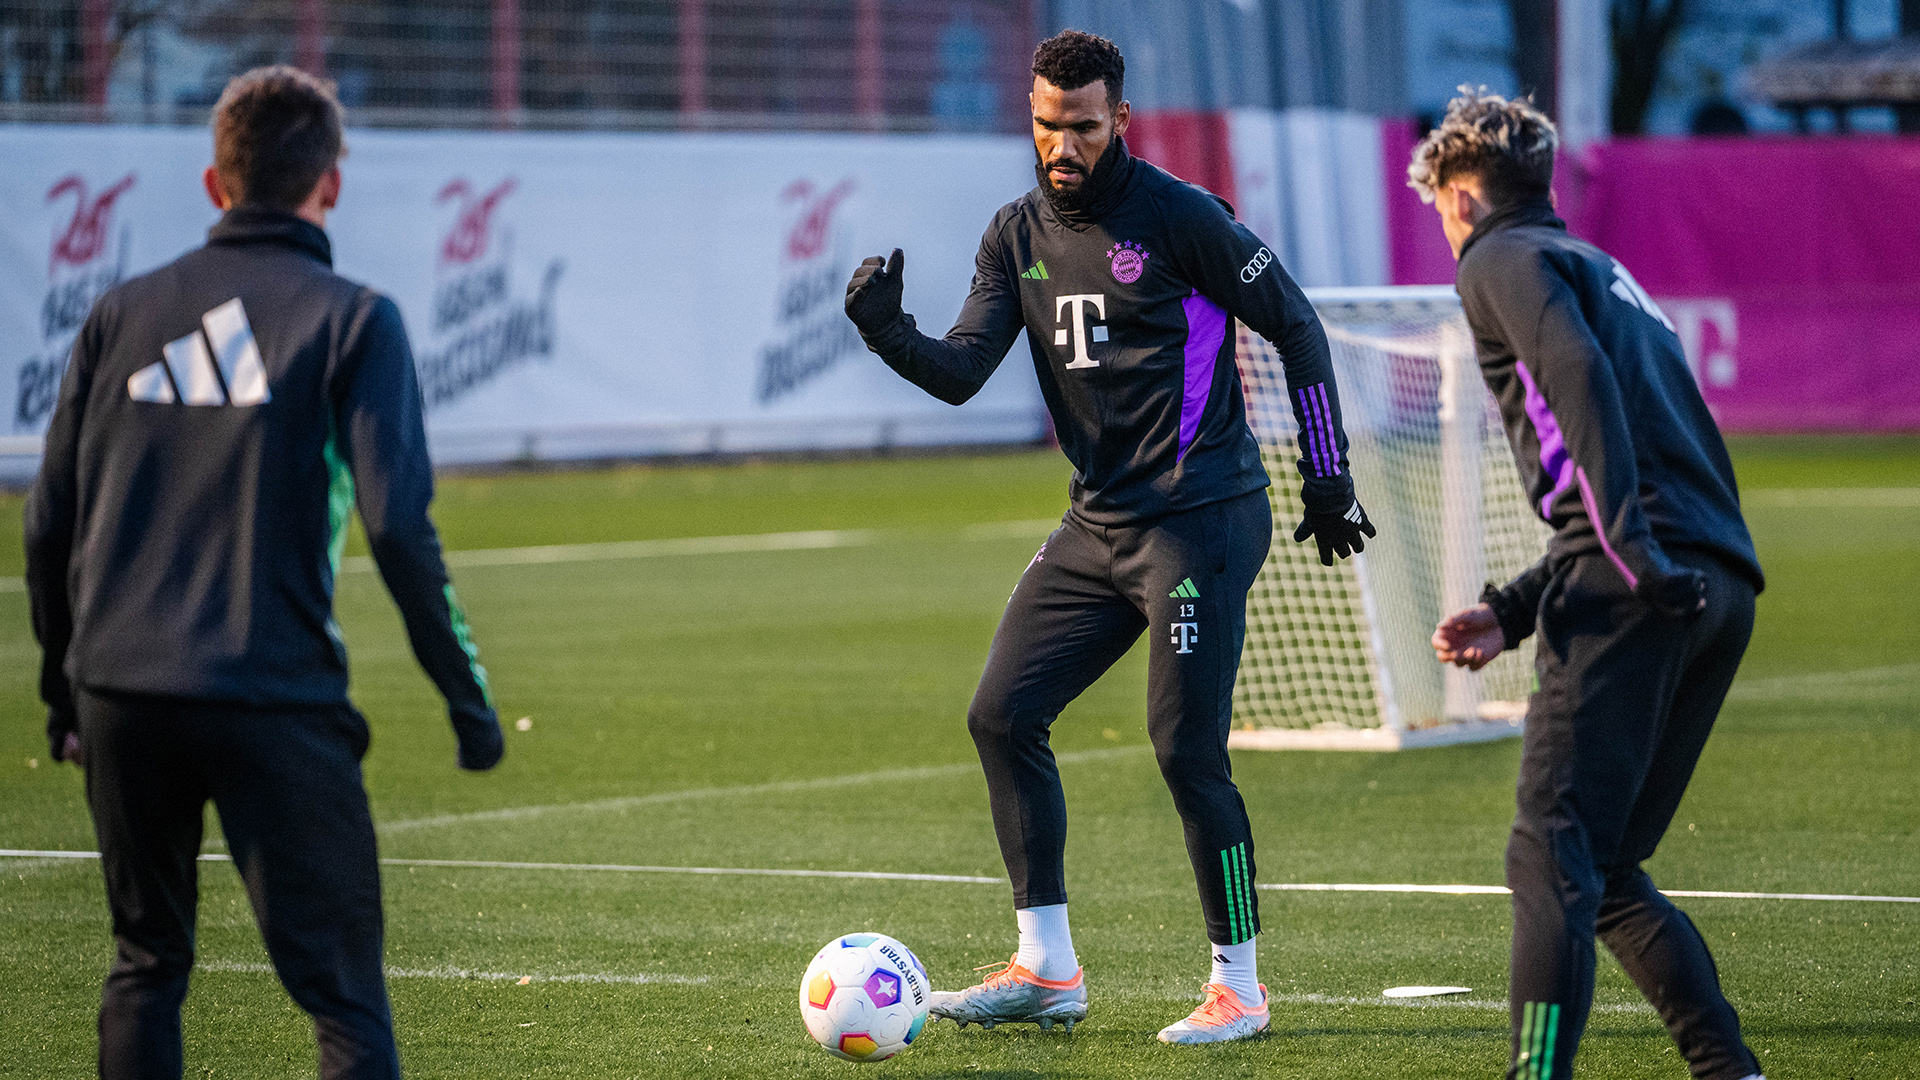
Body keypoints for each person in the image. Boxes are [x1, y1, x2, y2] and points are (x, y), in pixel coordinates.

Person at [843, 29, 1373, 1045]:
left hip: (1202, 518)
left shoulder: (1182, 218)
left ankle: (1241, 987)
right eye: (1047, 125)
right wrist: (884, 329)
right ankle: (1046, 971)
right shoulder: (1014, 232)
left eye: (1082, 126)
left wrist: (1330, 474)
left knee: (1185, 750)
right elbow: (961, 370)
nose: (1063, 145)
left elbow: (1298, 327)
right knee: (1001, 716)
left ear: (1119, 120)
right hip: (1100, 525)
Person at [24, 66, 503, 1080]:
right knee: (341, 1003)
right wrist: (467, 702)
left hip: (120, 693)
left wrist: (63, 689)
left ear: (214, 183)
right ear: (331, 181)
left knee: (145, 965)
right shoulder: (353, 319)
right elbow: (400, 530)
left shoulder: (120, 312)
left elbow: (47, 521)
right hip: (272, 694)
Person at [1415, 90, 1767, 1080]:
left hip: (1640, 581)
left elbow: (1577, 380)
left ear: (1466, 191)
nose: (1442, 225)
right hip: (1717, 583)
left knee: (1549, 856)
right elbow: (1665, 451)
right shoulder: (1600, 269)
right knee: (1606, 869)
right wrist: (1522, 604)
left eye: (1440, 201)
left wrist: (1630, 554)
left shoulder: (1496, 258)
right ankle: (1727, 1068)